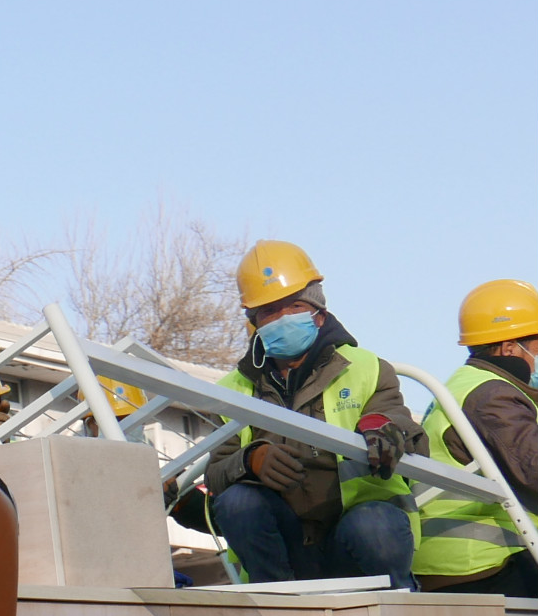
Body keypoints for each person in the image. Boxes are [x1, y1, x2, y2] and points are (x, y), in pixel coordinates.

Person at [202, 240, 421, 590]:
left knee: (376, 524)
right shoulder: (234, 388)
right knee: (237, 502)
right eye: (268, 310)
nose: (282, 318)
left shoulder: (367, 369)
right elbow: (214, 474)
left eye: (294, 305)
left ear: (318, 312)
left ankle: (397, 613)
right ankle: (278, 606)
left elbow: (407, 432)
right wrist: (249, 460)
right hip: (284, 546)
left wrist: (384, 425)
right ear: (254, 321)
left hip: (354, 533)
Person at [412, 280, 538, 597]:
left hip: (476, 559)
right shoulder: (492, 397)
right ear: (510, 348)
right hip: (480, 562)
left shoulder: (473, 384)